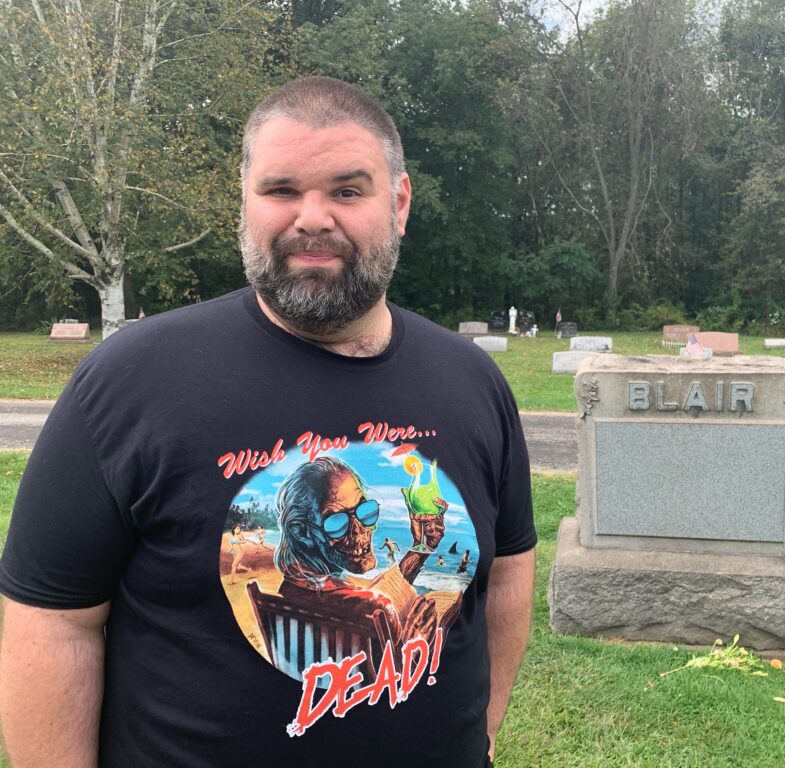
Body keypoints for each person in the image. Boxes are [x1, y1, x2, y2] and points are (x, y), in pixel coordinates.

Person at [0, 76, 535, 768]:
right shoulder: (133, 380)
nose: (312, 217)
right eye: (282, 190)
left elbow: (508, 579)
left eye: (348, 190)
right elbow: (54, 623)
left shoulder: (472, 382)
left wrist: (479, 738)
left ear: (399, 203)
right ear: (244, 205)